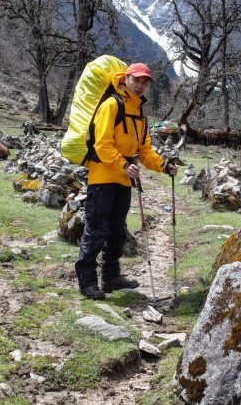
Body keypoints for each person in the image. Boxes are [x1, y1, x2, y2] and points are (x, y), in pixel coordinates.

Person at [75, 62, 178, 300]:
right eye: (137, 81)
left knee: (117, 231)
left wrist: (163, 166)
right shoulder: (111, 105)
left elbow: (145, 150)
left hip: (123, 180)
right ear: (126, 79)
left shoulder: (139, 113)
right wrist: (123, 164)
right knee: (96, 230)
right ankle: (87, 281)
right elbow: (102, 144)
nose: (141, 86)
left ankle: (111, 277)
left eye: (145, 83)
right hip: (102, 178)